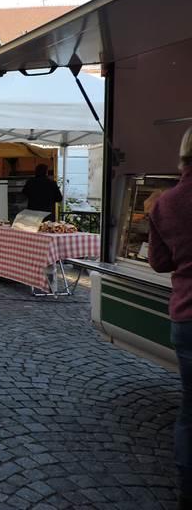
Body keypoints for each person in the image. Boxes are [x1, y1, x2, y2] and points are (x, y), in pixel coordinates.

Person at [148, 126, 192, 509]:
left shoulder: (165, 202)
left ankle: (186, 488)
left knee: (190, 410)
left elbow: (160, 263)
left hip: (186, 315)